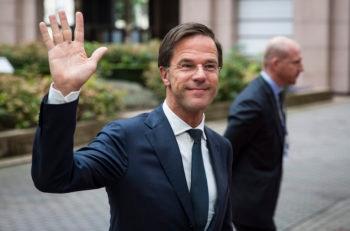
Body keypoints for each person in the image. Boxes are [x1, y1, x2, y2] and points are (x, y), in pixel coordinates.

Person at [31, 10, 233, 231]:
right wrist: (64, 91)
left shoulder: (221, 147)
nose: (201, 75)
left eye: (210, 66)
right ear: (165, 75)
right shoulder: (125, 138)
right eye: (187, 65)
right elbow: (54, 177)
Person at [223, 36, 304, 231]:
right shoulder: (253, 102)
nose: (302, 68)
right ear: (276, 64)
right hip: (249, 206)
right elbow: (225, 153)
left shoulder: (276, 91)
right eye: (296, 62)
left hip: (262, 202)